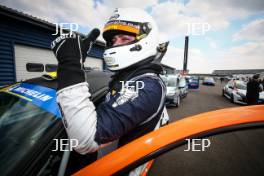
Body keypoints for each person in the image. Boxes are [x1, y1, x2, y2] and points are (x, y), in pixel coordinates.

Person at [51, 8, 168, 156]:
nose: (115, 45)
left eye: (125, 39)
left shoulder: (148, 86)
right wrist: (78, 63)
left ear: (146, 41)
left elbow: (87, 140)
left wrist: (70, 64)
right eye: (113, 40)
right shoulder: (128, 76)